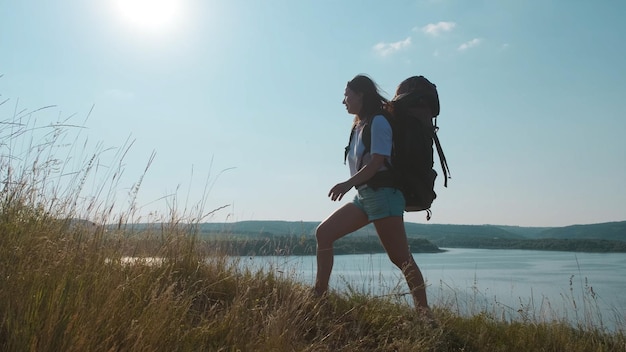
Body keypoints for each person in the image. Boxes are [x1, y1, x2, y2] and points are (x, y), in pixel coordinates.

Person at [314, 74, 430, 312]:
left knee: (401, 259)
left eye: (347, 95)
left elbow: (377, 161)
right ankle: (319, 296)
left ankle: (424, 314)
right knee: (324, 234)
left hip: (383, 195)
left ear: (361, 94)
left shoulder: (378, 122)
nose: (343, 101)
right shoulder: (360, 124)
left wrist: (347, 184)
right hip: (365, 197)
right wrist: (353, 186)